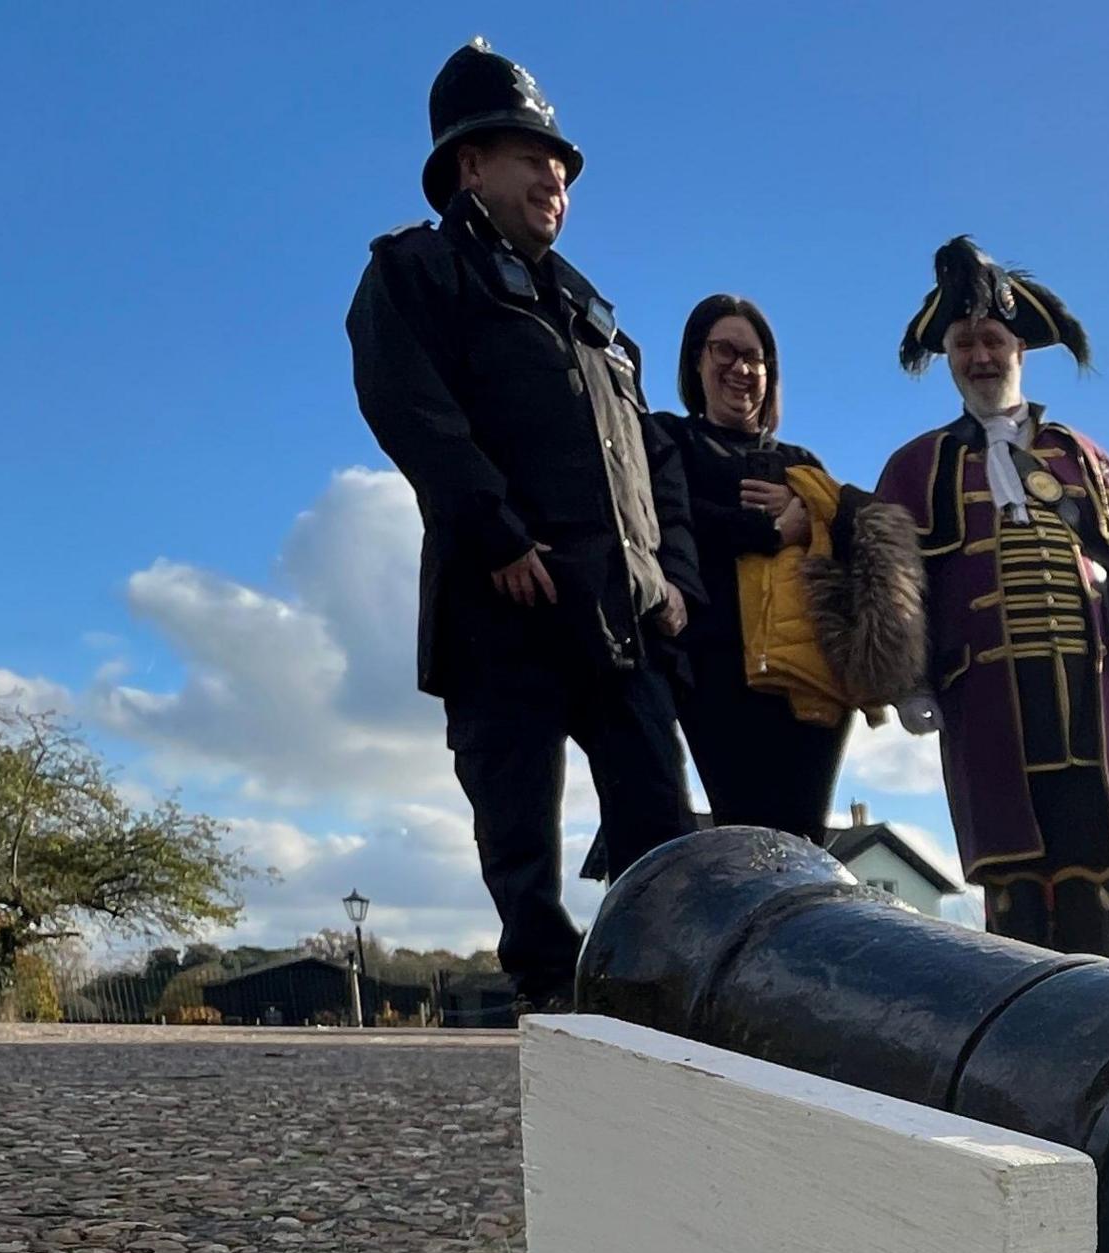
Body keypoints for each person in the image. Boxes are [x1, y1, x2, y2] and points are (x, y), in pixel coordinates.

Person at [347, 40, 699, 1010]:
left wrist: (674, 580)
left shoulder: (597, 318)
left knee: (662, 835)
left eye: (563, 164)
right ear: (470, 165)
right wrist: (493, 533)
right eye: (530, 154)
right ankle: (552, 1005)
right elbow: (407, 404)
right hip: (505, 604)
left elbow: (654, 456)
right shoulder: (415, 273)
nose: (556, 175)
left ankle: (658, 1008)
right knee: (524, 848)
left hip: (622, 615)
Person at [877, 237, 1109, 954]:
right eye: (964, 343)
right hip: (982, 693)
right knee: (1009, 867)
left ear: (1021, 350)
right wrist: (907, 681)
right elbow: (898, 581)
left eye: (993, 340)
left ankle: (1103, 1008)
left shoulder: (1083, 457)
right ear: (947, 357)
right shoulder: (917, 465)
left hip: (1086, 689)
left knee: (1088, 858)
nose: (980, 357)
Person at [648, 294, 922, 843]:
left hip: (808, 677)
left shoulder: (800, 461)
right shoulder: (670, 439)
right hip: (717, 670)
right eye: (724, 351)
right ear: (695, 361)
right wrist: (772, 532)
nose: (741, 368)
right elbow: (669, 521)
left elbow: (858, 540)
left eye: (755, 358)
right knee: (745, 830)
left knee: (802, 838)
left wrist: (816, 512)